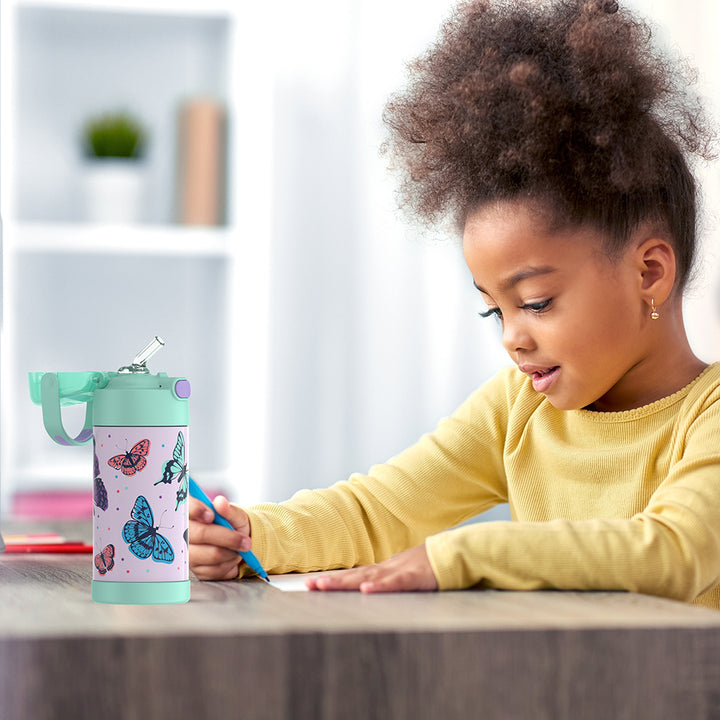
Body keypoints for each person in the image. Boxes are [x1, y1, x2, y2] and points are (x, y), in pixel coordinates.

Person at [190, 0, 720, 608]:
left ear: (649, 273)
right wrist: (253, 535)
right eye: (496, 310)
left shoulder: (708, 417)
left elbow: (674, 554)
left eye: (537, 302)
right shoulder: (517, 411)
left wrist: (464, 554)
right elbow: (382, 510)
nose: (512, 338)